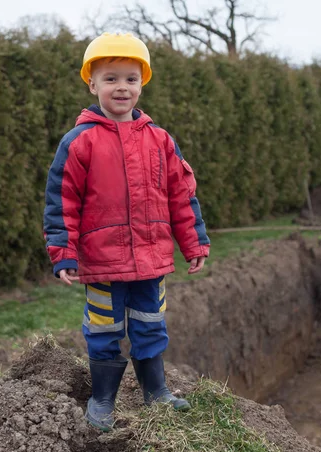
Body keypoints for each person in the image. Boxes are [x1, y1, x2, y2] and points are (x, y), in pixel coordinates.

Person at [44, 32, 210, 431]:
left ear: (142, 83)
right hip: (102, 263)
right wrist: (62, 252)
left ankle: (157, 393)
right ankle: (102, 401)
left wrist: (194, 242)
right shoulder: (79, 142)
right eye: (111, 78)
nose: (122, 87)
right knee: (103, 330)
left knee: (150, 326)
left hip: (151, 262)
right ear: (93, 84)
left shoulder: (160, 140)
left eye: (131, 79)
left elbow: (181, 196)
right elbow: (61, 201)